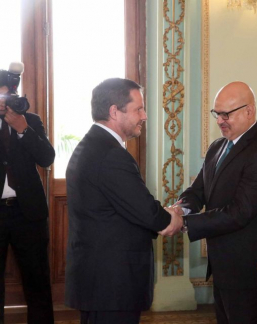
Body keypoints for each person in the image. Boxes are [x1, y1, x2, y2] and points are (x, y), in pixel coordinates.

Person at [65, 78, 181, 324]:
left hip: (99, 281)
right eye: (138, 109)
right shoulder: (111, 154)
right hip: (111, 284)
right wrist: (172, 217)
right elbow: (147, 212)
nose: (145, 116)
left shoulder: (92, 145)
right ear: (114, 112)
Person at [174, 81, 257, 324]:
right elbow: (198, 190)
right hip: (222, 267)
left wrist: (185, 223)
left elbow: (240, 212)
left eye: (226, 114)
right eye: (216, 113)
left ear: (249, 111)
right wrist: (181, 208)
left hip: (245, 270)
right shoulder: (217, 147)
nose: (220, 120)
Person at [0, 69, 55, 323]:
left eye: (9, 95)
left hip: (28, 214)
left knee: (38, 283)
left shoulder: (30, 120)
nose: (6, 102)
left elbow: (47, 159)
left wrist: (23, 129)